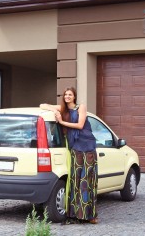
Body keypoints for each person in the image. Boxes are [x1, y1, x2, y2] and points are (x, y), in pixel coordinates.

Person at [40, 87, 98, 225]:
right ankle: (77, 214)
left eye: (70, 94)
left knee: (87, 181)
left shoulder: (80, 107)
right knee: (75, 181)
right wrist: (55, 110)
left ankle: (90, 215)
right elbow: (42, 105)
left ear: (74, 96)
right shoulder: (63, 108)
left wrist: (61, 122)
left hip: (87, 147)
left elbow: (80, 125)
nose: (67, 96)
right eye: (66, 94)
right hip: (75, 147)